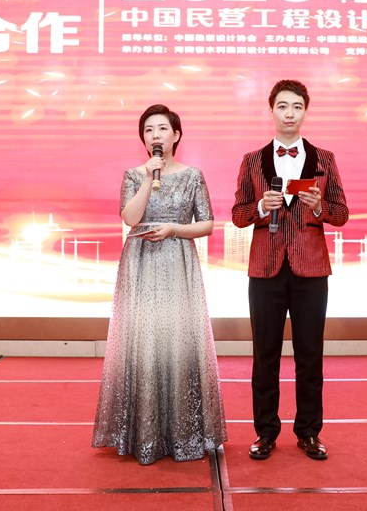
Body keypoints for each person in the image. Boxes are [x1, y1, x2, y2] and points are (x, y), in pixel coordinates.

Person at [92, 104, 227, 466]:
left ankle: (185, 433)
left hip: (178, 262)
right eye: (149, 129)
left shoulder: (193, 175)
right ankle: (143, 434)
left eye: (163, 129)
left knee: (178, 341)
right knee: (144, 342)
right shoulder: (133, 175)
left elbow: (207, 224)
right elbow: (130, 217)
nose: (156, 135)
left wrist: (174, 230)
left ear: (176, 135)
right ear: (143, 137)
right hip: (141, 265)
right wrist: (148, 181)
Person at [232, 79, 349, 461]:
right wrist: (260, 207)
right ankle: (265, 432)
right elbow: (238, 215)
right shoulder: (252, 160)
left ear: (305, 112)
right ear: (271, 111)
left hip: (311, 270)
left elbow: (341, 214)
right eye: (282, 106)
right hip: (265, 270)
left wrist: (318, 207)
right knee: (264, 354)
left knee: (309, 354)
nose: (289, 113)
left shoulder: (324, 159)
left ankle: (309, 432)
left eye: (297, 106)